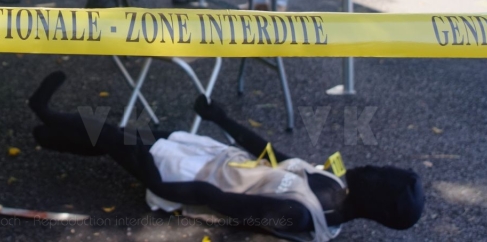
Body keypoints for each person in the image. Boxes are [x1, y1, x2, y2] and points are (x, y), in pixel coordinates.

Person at [29, 71, 425, 242]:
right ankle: (51, 136)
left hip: (182, 176)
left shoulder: (302, 214)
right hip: (213, 156)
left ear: (373, 195)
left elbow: (220, 202)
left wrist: (156, 182)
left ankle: (46, 113)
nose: (371, 166)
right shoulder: (335, 186)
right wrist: (222, 119)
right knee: (125, 136)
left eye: (377, 173)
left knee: (116, 137)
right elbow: (272, 155)